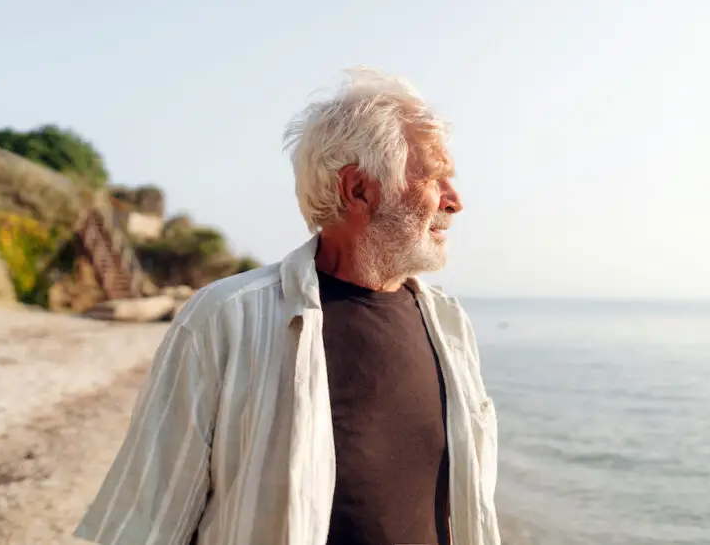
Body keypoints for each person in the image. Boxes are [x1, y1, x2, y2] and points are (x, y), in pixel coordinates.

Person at [75, 68, 500, 545]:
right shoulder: (226, 319)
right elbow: (144, 523)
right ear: (357, 189)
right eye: (436, 178)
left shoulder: (449, 325)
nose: (455, 201)